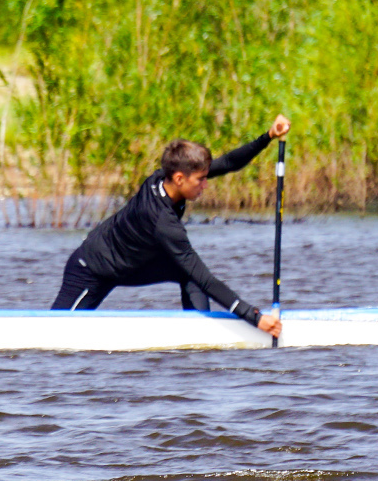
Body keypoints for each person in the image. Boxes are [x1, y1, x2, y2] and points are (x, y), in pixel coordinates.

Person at [51, 116, 291, 339]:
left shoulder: (162, 177)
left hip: (130, 265)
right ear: (179, 179)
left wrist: (268, 136)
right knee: (55, 334)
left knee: (189, 276)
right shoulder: (162, 221)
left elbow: (228, 163)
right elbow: (207, 279)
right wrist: (254, 318)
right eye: (201, 180)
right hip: (92, 269)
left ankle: (202, 338)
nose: (205, 185)